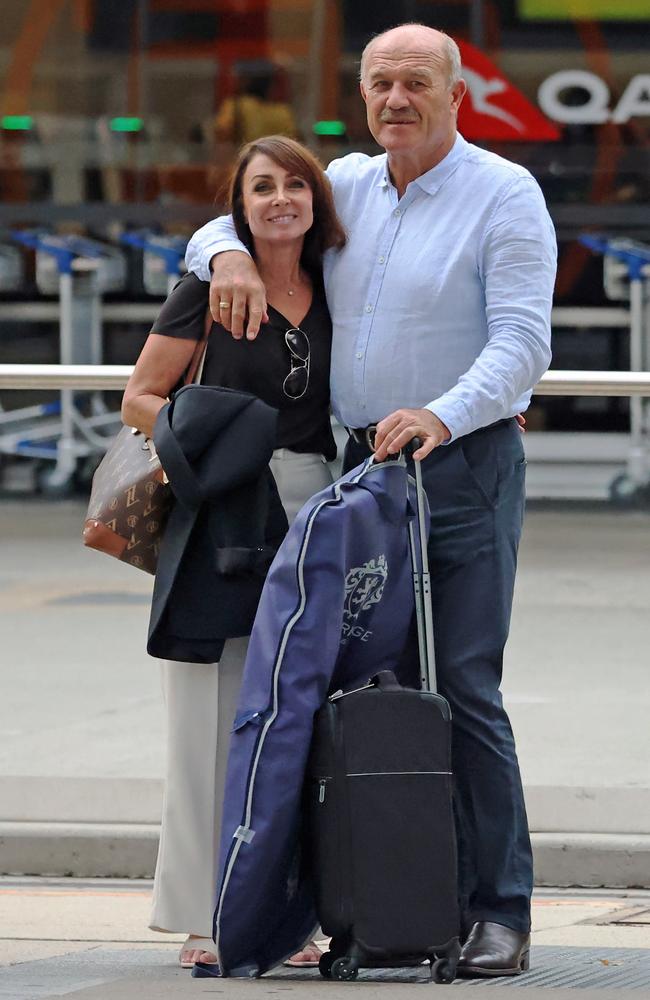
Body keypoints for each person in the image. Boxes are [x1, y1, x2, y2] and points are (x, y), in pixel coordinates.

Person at [185, 23, 557, 980]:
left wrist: (443, 412)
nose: (396, 99)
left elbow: (522, 342)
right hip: (361, 474)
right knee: (363, 690)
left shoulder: (503, 194)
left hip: (462, 466)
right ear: (362, 95)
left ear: (455, 93)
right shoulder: (343, 181)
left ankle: (498, 910)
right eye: (380, 82)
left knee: (464, 686)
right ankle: (383, 898)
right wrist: (224, 255)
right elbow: (238, 212)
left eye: (416, 83)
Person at [121, 135, 346, 970]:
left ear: (316, 201)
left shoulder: (335, 287)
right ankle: (203, 916)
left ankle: (285, 910)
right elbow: (139, 398)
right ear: (238, 205)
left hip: (320, 508)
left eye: (296, 184)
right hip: (224, 509)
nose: (281, 198)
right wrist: (211, 440)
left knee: (297, 719)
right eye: (262, 187)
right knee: (208, 717)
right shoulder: (205, 287)